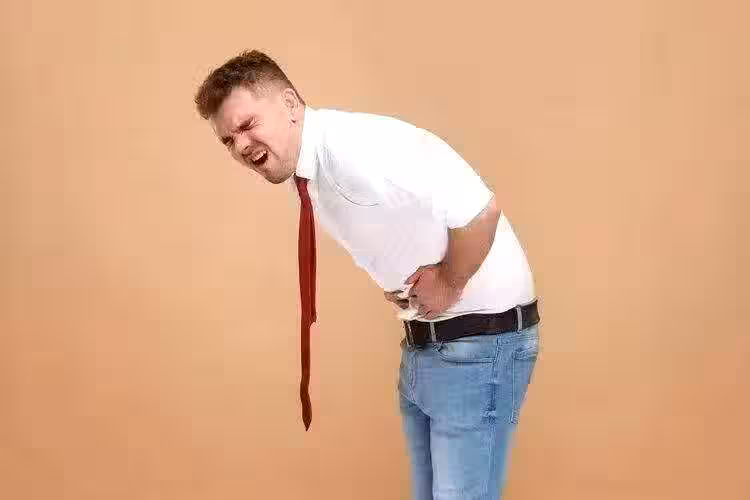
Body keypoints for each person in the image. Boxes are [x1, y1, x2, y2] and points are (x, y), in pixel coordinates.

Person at [194, 50, 541, 500]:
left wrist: (450, 282)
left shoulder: (357, 148)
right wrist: (400, 281)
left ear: (290, 104)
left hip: (478, 345)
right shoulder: (313, 167)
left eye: (247, 124)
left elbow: (481, 210)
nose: (241, 146)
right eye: (228, 140)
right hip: (430, 344)